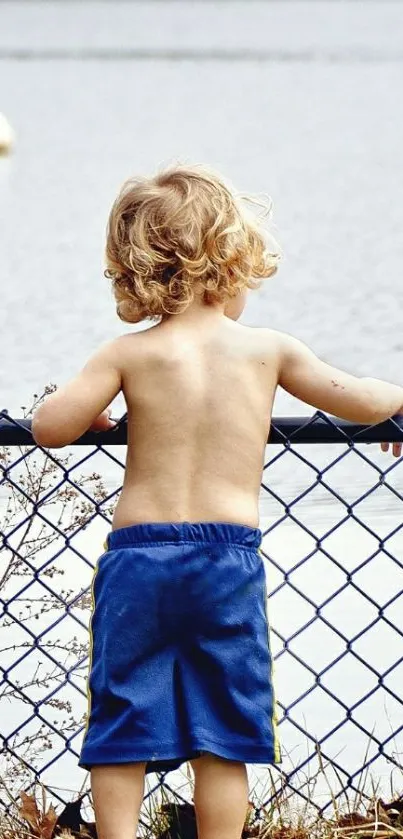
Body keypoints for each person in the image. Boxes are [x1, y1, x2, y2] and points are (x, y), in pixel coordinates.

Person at [31, 164, 402, 839]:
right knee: (223, 730)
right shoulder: (266, 351)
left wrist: (89, 415)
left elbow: (49, 424)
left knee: (122, 717)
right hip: (223, 561)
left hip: (139, 560)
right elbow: (360, 400)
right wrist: (395, 399)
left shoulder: (128, 354)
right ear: (232, 259)